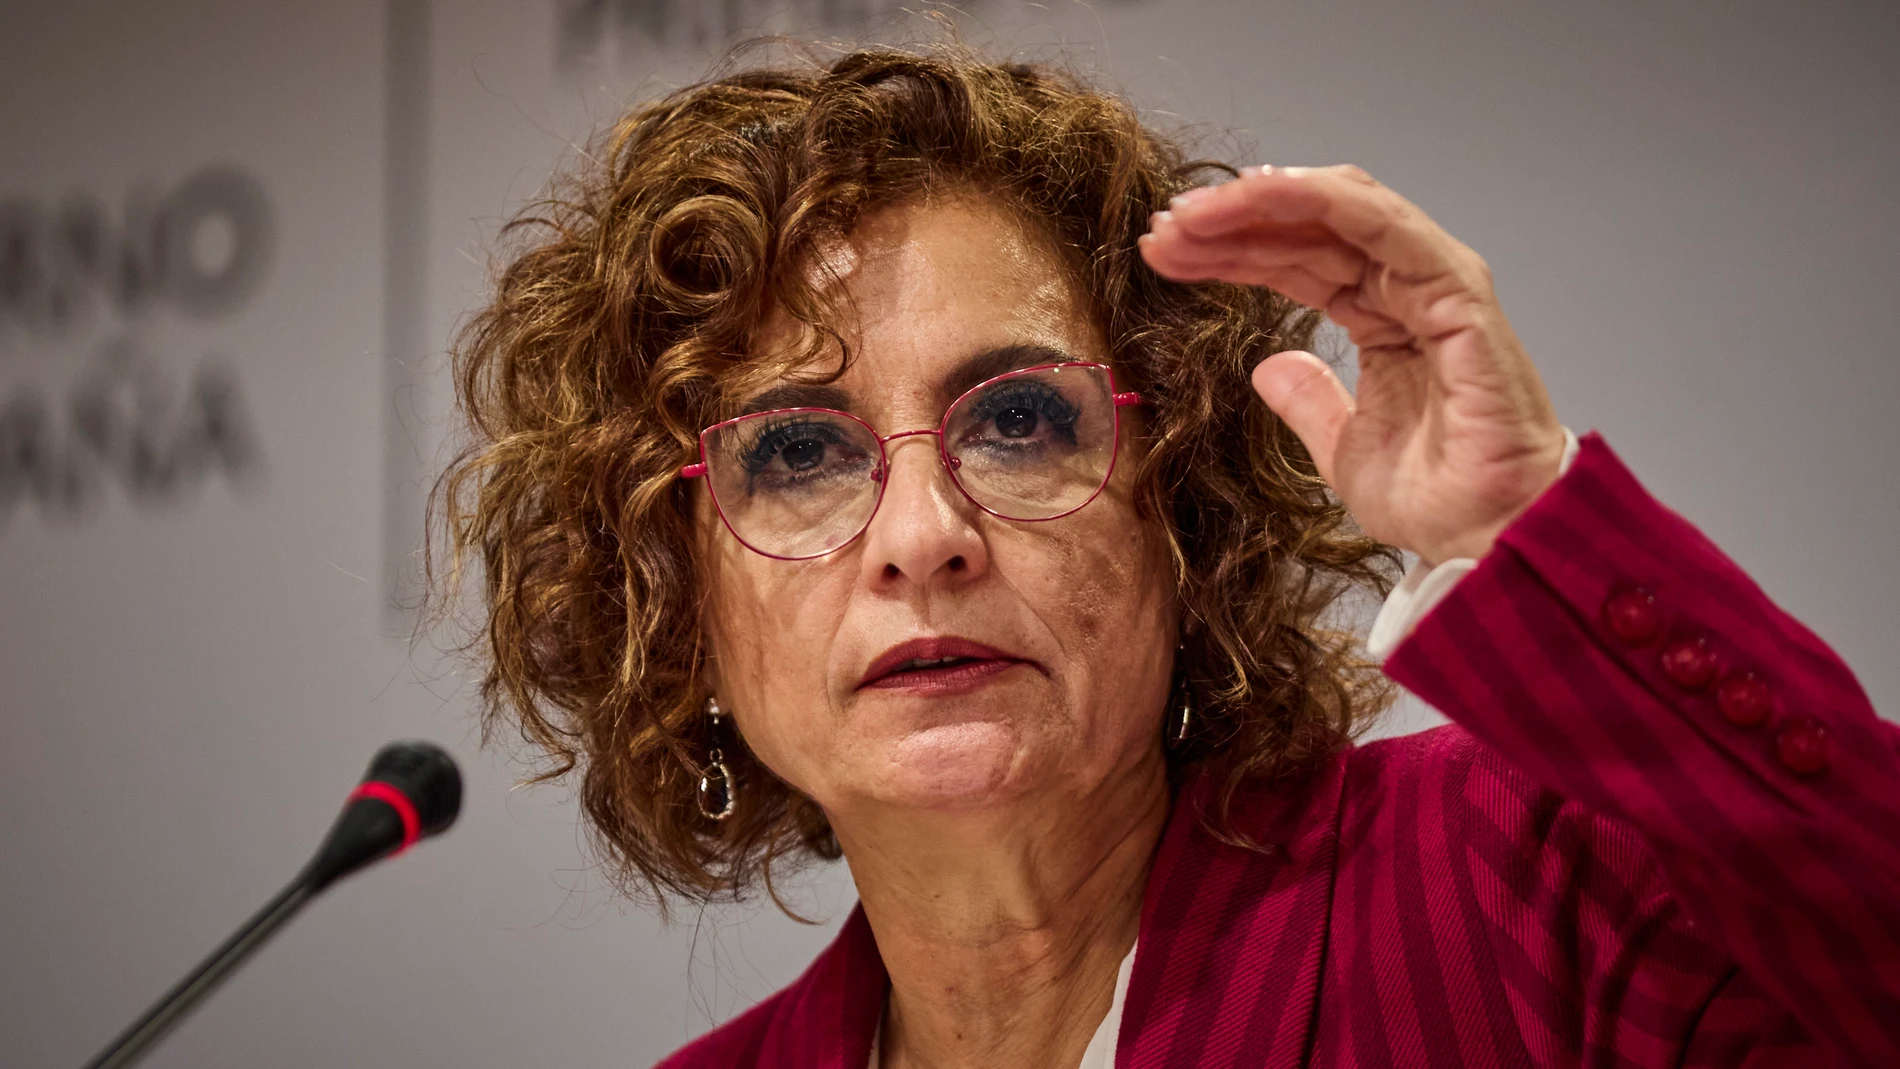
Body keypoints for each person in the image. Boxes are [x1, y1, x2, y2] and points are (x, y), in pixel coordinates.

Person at [435, 44, 1900, 1068]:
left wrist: (1528, 528)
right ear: (675, 601)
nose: (927, 539)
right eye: (798, 455)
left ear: (1177, 507)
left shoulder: (1510, 887)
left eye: (1016, 421)